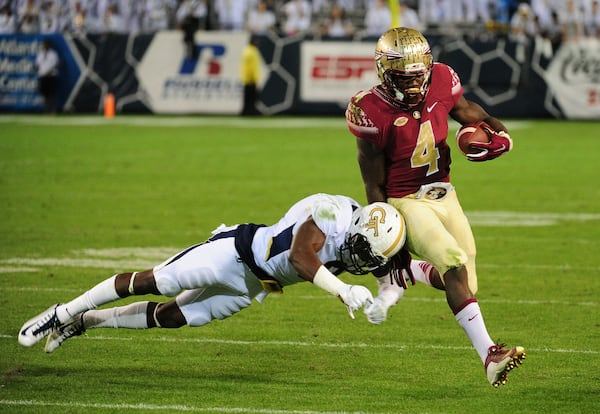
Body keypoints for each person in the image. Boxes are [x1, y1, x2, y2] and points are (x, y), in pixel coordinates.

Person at [346, 27, 525, 388]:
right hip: (405, 200)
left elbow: (471, 112)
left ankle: (411, 271)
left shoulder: (441, 79)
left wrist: (500, 135)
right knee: (453, 261)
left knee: (464, 282)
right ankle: (490, 354)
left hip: (445, 193)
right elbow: (373, 183)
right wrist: (389, 238)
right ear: (385, 72)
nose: (414, 85)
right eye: (404, 78)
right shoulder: (370, 109)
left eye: (418, 76)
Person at [18, 193, 414, 353]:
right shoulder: (335, 212)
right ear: (357, 225)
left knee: (173, 317)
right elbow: (300, 257)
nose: (362, 260)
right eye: (361, 250)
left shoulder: (371, 242)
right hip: (235, 253)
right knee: (157, 280)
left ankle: (85, 322)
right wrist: (343, 291)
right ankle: (63, 311)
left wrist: (385, 298)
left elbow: (393, 273)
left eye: (371, 256)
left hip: (254, 286)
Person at [35, 38, 60, 114]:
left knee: (52, 93)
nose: (45, 46)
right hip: (42, 76)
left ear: (49, 45)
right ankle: (46, 109)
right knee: (45, 93)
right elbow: (37, 65)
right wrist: (41, 71)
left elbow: (56, 64)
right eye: (44, 44)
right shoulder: (40, 54)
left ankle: (52, 109)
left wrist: (48, 71)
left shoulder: (53, 54)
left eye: (46, 44)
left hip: (51, 76)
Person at [240, 35, 262, 116]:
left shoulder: (248, 51)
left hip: (248, 78)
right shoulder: (251, 52)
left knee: (248, 97)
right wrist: (253, 78)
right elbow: (252, 68)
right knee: (251, 97)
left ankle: (247, 111)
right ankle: (250, 111)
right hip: (250, 79)